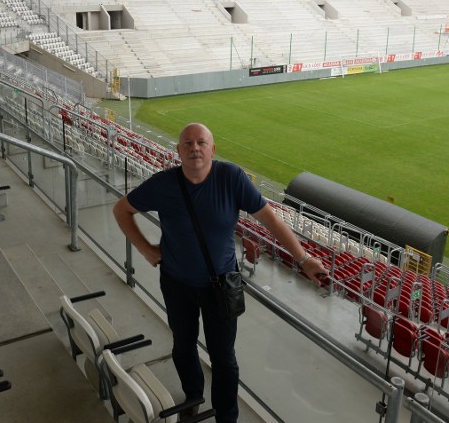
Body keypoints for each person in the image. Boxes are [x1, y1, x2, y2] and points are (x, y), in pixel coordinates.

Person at [112, 122, 329, 423]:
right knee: (183, 345)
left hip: (221, 286)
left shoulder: (232, 178)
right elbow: (121, 210)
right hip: (176, 284)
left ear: (212, 149)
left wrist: (303, 259)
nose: (194, 148)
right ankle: (193, 397)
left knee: (224, 358)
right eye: (187, 143)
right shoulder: (163, 184)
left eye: (201, 142)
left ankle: (226, 417)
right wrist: (147, 249)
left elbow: (269, 218)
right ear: (178, 151)